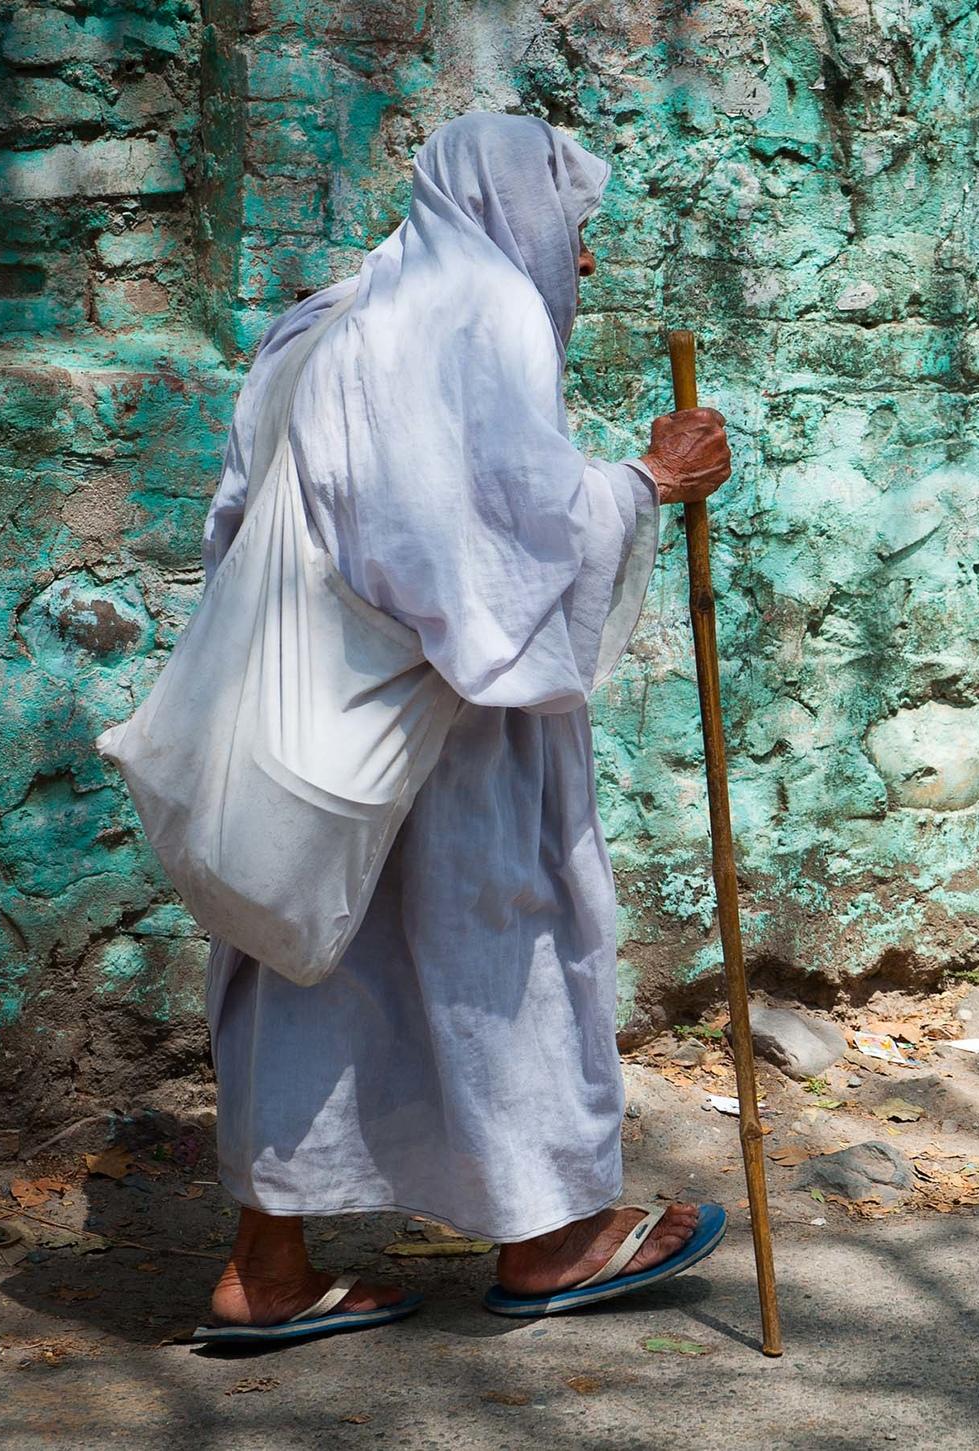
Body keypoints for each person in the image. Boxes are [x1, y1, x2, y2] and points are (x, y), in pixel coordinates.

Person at [189, 113, 733, 1342]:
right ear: (514, 218)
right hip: (449, 727)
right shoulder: (475, 320)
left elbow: (236, 520)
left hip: (306, 721)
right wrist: (650, 482)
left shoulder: (320, 319)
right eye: (574, 231)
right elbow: (498, 540)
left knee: (306, 965)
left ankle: (266, 1266)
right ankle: (553, 1235)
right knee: (503, 950)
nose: (582, 264)